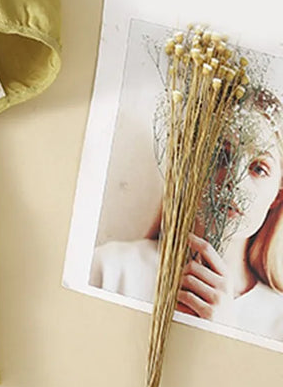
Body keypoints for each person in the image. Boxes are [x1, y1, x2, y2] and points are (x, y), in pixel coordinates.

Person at [90, 84, 283, 341]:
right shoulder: (110, 269)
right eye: (221, 155)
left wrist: (225, 339)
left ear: (277, 195)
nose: (233, 181)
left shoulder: (278, 325)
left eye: (259, 168)